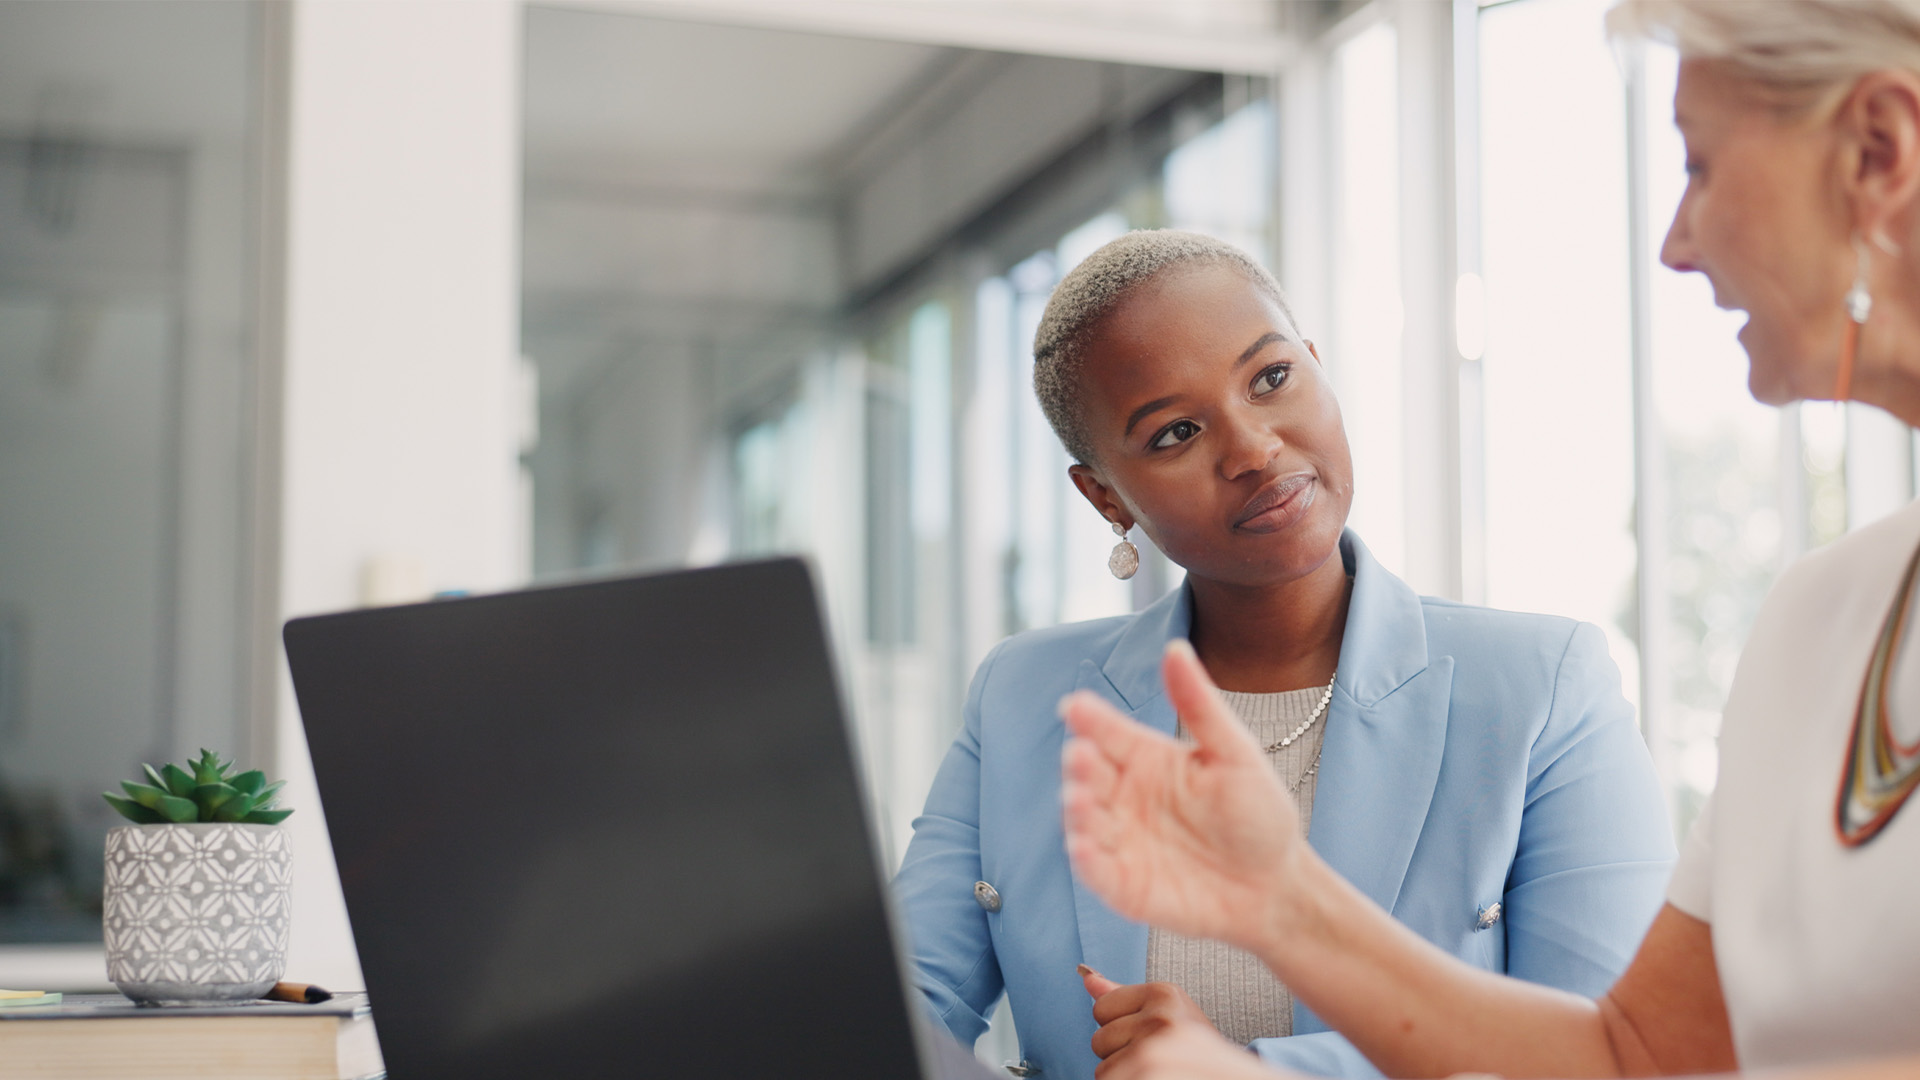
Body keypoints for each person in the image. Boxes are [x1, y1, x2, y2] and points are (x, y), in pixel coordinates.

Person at [1057, 4, 1920, 1080]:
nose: (1676, 241)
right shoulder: (1821, 615)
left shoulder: (1562, 676)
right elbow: (1636, 1053)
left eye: (1700, 166)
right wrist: (1283, 901)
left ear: (1881, 152)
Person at [893, 229, 1675, 1080]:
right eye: (1176, 432)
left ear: (1315, 361)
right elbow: (893, 1021)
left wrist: (1244, 1070)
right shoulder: (1021, 698)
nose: (1254, 449)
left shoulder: (1541, 689)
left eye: (1271, 378)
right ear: (1105, 495)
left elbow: (1620, 1055)